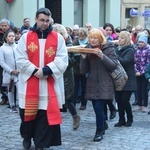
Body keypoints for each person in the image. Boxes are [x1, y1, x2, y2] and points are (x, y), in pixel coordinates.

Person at [15, 8, 68, 149]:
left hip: (48, 83)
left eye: (47, 21)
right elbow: (20, 58)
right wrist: (34, 70)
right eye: (42, 20)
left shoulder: (58, 38)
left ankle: (41, 143)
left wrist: (46, 70)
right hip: (29, 84)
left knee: (45, 115)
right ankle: (27, 136)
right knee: (28, 115)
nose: (44, 23)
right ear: (36, 20)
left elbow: (63, 59)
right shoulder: (26, 37)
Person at [80, 28, 117, 142]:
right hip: (92, 83)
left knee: (98, 106)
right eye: (91, 37)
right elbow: (83, 70)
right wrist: (83, 58)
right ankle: (103, 124)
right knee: (97, 108)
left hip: (105, 82)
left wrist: (102, 56)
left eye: (95, 38)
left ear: (100, 38)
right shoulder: (87, 49)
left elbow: (113, 65)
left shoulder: (108, 48)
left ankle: (99, 131)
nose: (92, 40)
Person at [52, 23, 80, 130]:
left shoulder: (69, 45)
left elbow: (70, 62)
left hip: (66, 75)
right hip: (55, 75)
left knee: (66, 100)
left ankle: (75, 116)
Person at [114, 31, 136, 127]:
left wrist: (115, 56)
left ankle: (130, 118)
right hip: (119, 79)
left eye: (122, 38)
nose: (119, 39)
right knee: (118, 100)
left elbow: (125, 62)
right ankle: (121, 119)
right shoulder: (117, 49)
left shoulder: (130, 50)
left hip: (128, 79)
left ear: (126, 40)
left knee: (125, 100)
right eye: (119, 37)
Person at [0, 30, 19, 112]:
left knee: (20, 88)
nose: (12, 38)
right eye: (10, 36)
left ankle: (21, 105)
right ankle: (12, 105)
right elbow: (2, 62)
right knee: (10, 89)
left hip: (18, 72)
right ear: (6, 38)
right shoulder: (2, 48)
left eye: (13, 36)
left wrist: (19, 69)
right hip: (9, 73)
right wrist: (11, 70)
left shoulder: (17, 47)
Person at [73, 27, 88, 110]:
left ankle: (83, 103)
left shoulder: (88, 43)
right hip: (76, 68)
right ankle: (73, 102)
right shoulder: (75, 42)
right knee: (75, 87)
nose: (81, 38)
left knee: (84, 87)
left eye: (82, 36)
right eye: (79, 36)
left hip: (85, 68)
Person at [134, 34, 150, 112]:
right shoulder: (137, 50)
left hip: (144, 73)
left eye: (142, 42)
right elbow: (135, 62)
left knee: (144, 90)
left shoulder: (148, 50)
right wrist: (136, 71)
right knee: (138, 89)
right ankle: (139, 105)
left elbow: (148, 63)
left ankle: (145, 105)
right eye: (139, 42)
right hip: (138, 73)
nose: (140, 43)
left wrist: (143, 72)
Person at [0, 18, 11, 105]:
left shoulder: (11, 34)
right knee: (1, 79)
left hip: (9, 60)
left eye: (5, 25)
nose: (4, 27)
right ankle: (4, 96)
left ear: (8, 26)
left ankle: (9, 97)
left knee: (9, 80)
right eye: (2, 26)